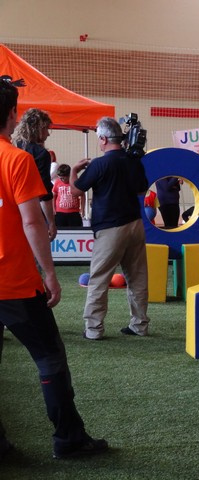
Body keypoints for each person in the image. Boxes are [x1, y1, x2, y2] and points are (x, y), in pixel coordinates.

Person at [0, 75, 108, 460]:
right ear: (12, 115)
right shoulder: (17, 159)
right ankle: (69, 439)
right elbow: (32, 222)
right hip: (13, 282)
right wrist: (49, 274)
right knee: (49, 357)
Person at [69, 117, 150, 339]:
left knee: (99, 278)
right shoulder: (133, 161)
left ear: (103, 139)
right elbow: (141, 191)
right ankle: (140, 325)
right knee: (137, 278)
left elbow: (76, 191)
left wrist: (74, 170)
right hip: (135, 224)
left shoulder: (99, 164)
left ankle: (94, 329)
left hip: (110, 229)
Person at [13, 107, 57, 241]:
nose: (48, 134)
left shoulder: (11, 147)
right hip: (32, 213)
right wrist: (51, 222)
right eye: (46, 129)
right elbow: (44, 193)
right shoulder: (41, 154)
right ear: (38, 129)